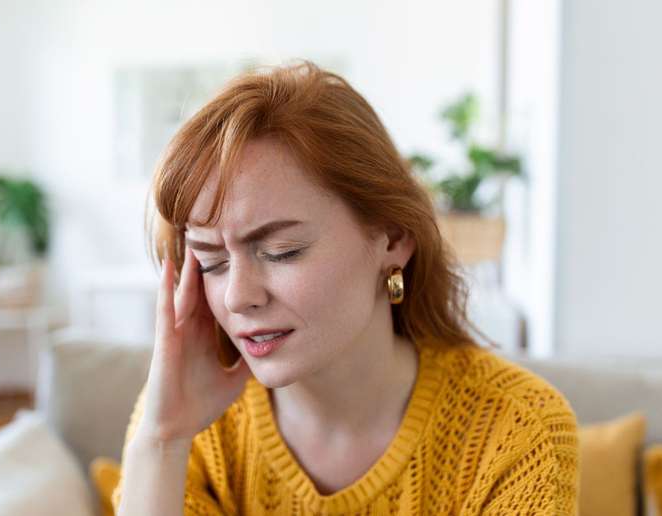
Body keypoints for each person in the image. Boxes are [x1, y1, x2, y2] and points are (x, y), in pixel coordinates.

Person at [112, 61, 579, 515]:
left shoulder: (519, 431)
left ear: (393, 239)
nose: (237, 297)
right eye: (212, 260)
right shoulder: (185, 425)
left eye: (282, 250)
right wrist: (162, 442)